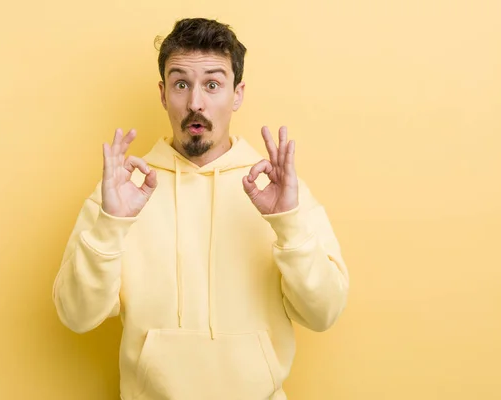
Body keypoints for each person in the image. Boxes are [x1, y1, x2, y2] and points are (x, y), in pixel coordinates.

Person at [52, 17, 349, 400]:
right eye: (181, 84)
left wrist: (287, 223)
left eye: (212, 84)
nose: (195, 103)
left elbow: (323, 314)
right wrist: (111, 225)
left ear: (237, 94)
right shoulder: (121, 193)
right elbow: (76, 316)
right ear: (163, 94)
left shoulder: (280, 191)